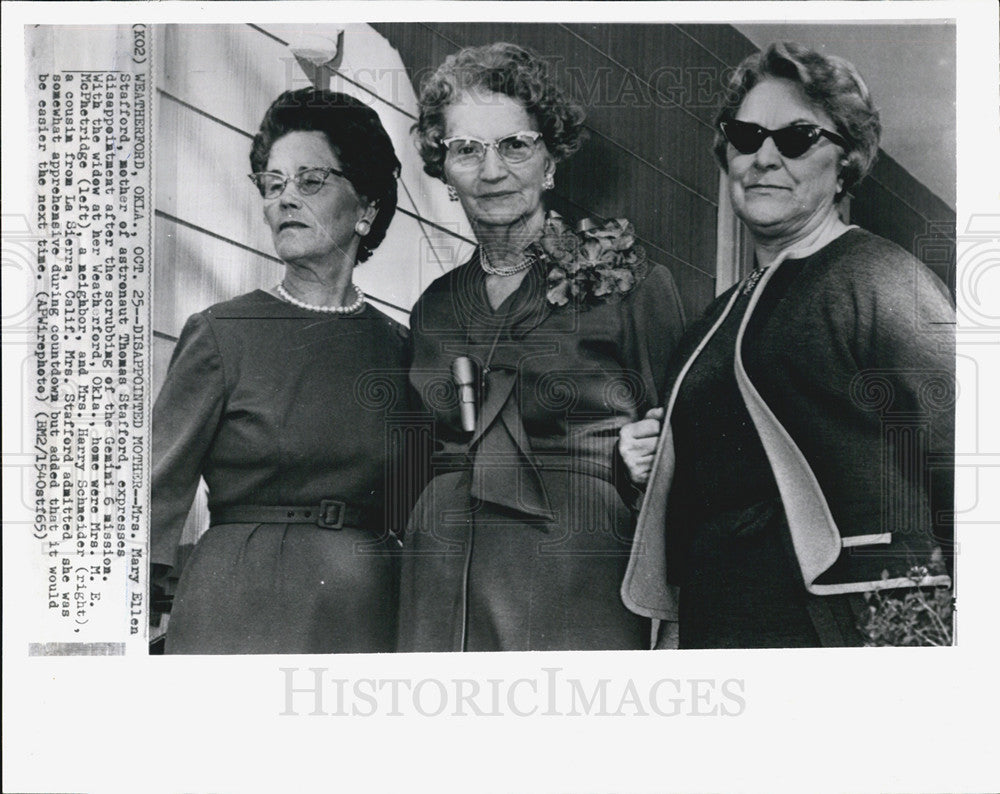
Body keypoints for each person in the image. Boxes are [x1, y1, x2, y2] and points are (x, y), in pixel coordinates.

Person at [618, 42, 955, 649]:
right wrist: (649, 457)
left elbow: (972, 452)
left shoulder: (879, 277)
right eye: (746, 136)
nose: (764, 157)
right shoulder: (712, 320)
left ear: (846, 161)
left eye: (797, 137)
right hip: (719, 619)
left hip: (857, 623)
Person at [398, 42, 686, 652]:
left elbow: (685, 440)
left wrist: (650, 458)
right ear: (445, 173)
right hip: (442, 571)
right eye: (466, 150)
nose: (491, 170)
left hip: (577, 569)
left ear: (550, 162)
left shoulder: (631, 283)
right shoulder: (433, 308)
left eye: (515, 145)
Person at [151, 88, 407, 654]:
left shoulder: (400, 350)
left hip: (364, 612)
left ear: (366, 206)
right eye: (274, 184)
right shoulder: (221, 332)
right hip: (237, 606)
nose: (285, 198)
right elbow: (155, 491)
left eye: (310, 181)